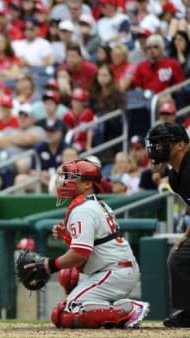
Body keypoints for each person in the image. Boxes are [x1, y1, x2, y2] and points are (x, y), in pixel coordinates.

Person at [24, 159, 149, 328]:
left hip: (112, 272)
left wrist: (49, 265)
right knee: (69, 275)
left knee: (66, 313)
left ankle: (128, 310)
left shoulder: (84, 209)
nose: (66, 182)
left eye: (72, 178)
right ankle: (98, 307)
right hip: (116, 268)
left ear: (88, 184)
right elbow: (91, 245)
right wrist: (67, 237)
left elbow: (80, 254)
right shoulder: (95, 204)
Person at [146, 122, 190, 327]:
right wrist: (187, 235)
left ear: (181, 145)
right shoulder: (174, 177)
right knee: (180, 257)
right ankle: (188, 312)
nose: (157, 147)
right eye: (155, 144)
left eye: (163, 142)